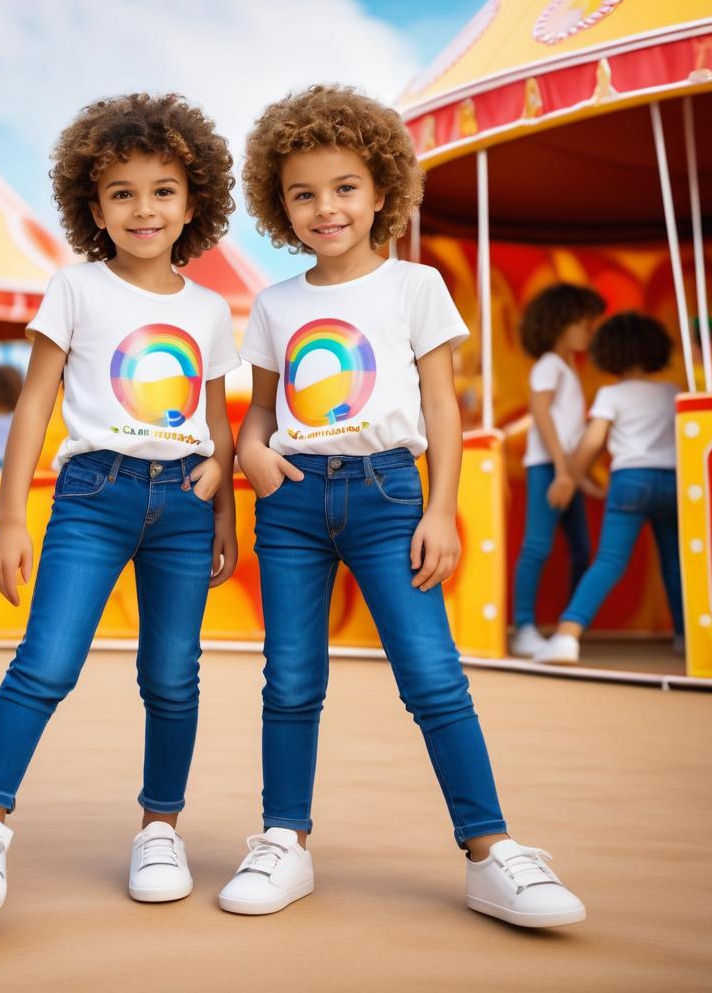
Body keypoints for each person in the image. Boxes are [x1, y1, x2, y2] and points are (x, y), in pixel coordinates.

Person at [226, 84, 585, 927]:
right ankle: (283, 839)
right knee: (291, 680)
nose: (325, 207)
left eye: (345, 186)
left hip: (391, 495)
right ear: (279, 206)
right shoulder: (275, 304)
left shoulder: (416, 287)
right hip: (290, 503)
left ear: (383, 188)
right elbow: (259, 413)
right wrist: (250, 454)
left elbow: (443, 407)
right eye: (302, 193)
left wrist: (442, 509)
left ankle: (492, 850)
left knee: (432, 676)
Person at [0, 93, 240, 912]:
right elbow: (34, 403)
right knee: (46, 662)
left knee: (173, 676)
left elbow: (216, 418)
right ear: (92, 206)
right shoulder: (73, 289)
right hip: (91, 494)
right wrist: (10, 518)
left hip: (184, 503)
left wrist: (225, 510)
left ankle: (160, 830)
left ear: (195, 201)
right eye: (122, 192)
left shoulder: (211, 310)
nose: (144, 209)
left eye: (163, 190)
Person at [537, 313, 683, 663]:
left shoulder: (611, 394)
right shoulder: (672, 392)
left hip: (630, 481)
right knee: (677, 562)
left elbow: (591, 443)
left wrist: (572, 476)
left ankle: (568, 636)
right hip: (674, 482)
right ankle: (685, 636)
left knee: (609, 561)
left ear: (610, 353)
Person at [511, 284, 605, 657]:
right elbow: (541, 413)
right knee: (537, 545)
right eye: (582, 323)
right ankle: (524, 626)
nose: (588, 330)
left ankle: (569, 626)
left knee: (581, 549)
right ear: (559, 323)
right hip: (548, 467)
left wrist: (577, 477)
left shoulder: (566, 368)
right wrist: (564, 473)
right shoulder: (550, 364)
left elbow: (568, 430)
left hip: (563, 469)